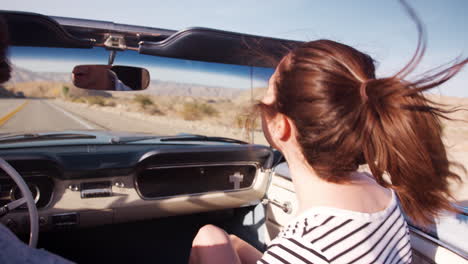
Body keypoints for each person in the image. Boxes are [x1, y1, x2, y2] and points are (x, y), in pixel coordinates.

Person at [189, 3, 468, 264]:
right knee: (224, 239)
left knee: (209, 236)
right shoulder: (382, 193)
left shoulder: (302, 250)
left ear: (280, 127)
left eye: (268, 91)